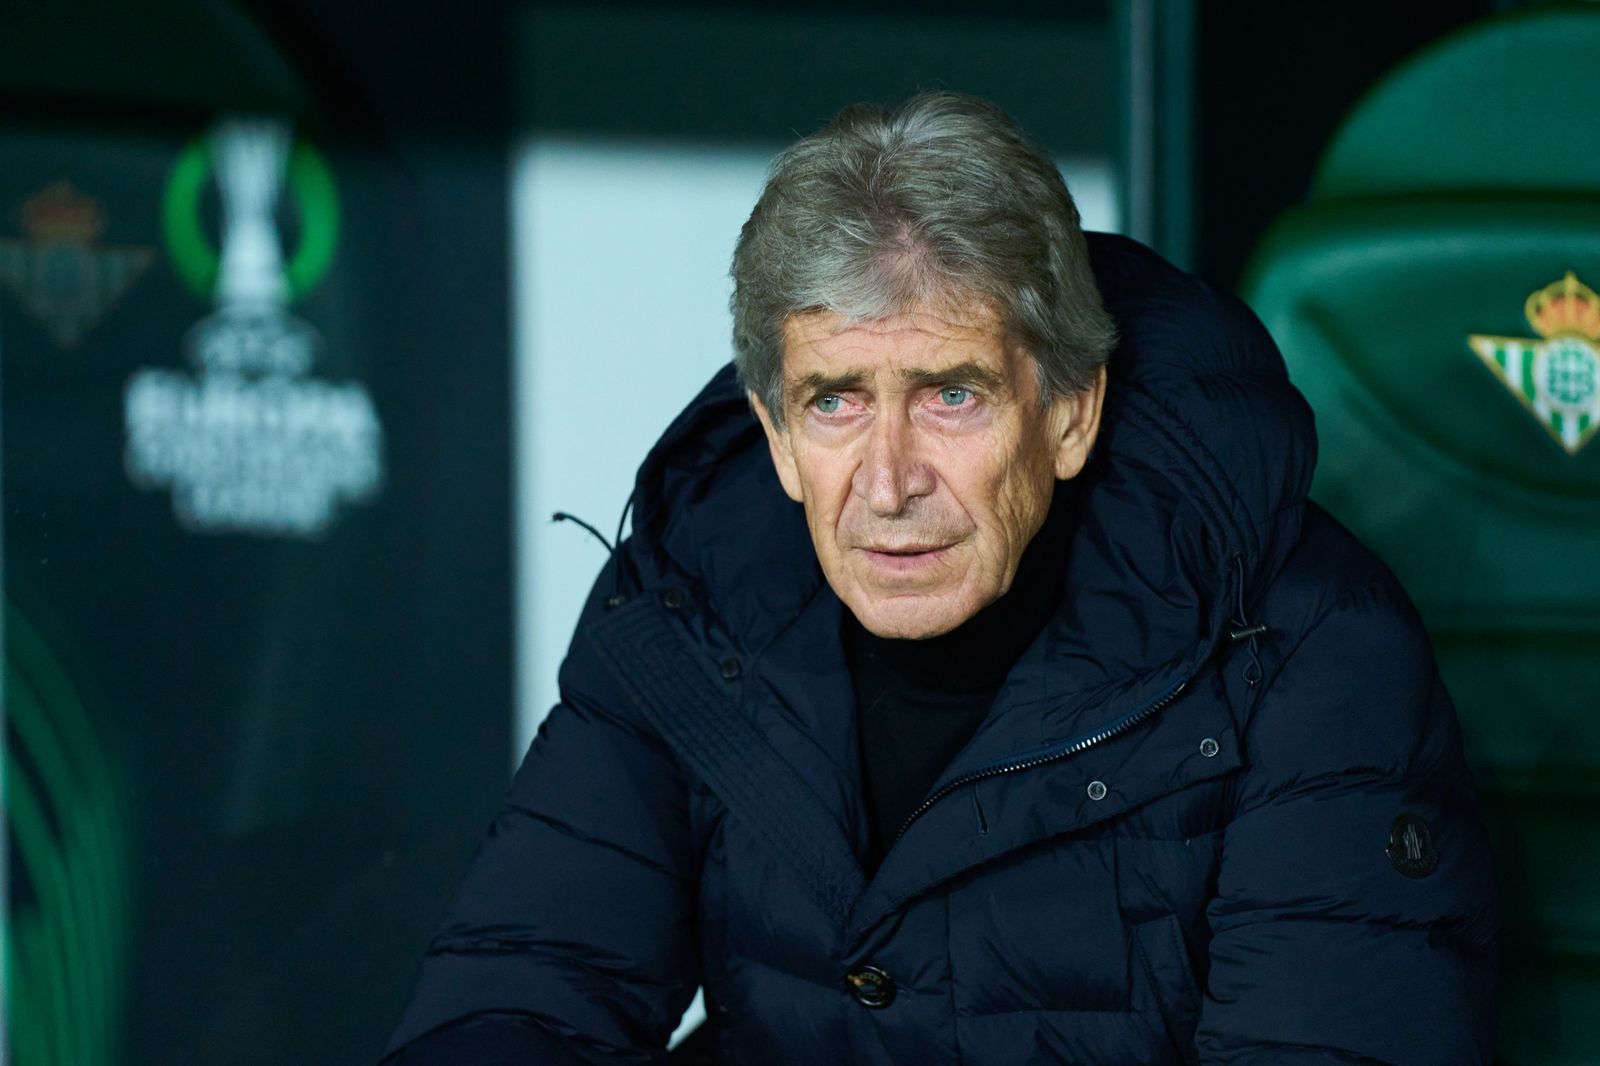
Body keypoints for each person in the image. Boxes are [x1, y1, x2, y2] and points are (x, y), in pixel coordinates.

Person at [383, 92, 1497, 1064]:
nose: (888, 480)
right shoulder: (687, 602)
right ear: (774, 432)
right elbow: (512, 1001)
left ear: (1068, 412)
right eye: (835, 401)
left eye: (950, 394)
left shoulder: (1306, 651)